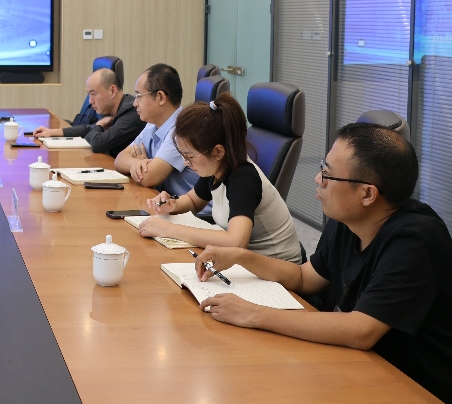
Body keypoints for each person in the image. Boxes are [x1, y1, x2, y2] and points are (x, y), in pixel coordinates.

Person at [194, 123, 452, 403]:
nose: (318, 179)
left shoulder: (414, 240)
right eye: (322, 168)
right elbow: (305, 277)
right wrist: (241, 257)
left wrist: (254, 314)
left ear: (368, 194)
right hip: (358, 366)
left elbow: (361, 330)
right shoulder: (352, 220)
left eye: (328, 174)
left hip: (412, 385)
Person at [137, 94, 302, 263]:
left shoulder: (243, 178)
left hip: (275, 267)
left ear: (218, 151)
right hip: (246, 261)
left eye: (190, 157)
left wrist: (170, 230)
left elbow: (236, 242)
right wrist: (172, 204)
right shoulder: (216, 167)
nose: (186, 163)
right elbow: (193, 201)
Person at [114, 64, 201, 203]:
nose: (134, 103)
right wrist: (139, 164)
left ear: (161, 97)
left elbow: (149, 177)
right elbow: (119, 159)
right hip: (168, 205)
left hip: (194, 212)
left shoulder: (182, 129)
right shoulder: (152, 125)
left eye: (139, 96)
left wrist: (146, 169)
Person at [32, 68, 144, 157]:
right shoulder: (113, 110)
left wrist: (99, 125)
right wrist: (52, 132)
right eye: (89, 95)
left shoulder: (132, 113)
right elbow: (89, 129)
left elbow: (98, 144)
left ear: (112, 91)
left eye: (93, 94)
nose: (90, 101)